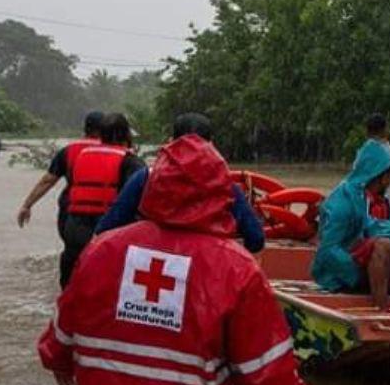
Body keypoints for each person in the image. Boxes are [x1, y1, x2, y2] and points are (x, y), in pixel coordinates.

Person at [38, 134, 319, 385]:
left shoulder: (101, 251)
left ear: (153, 186)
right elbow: (267, 376)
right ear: (221, 192)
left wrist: (57, 361)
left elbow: (60, 336)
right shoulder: (236, 269)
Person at [96, 112, 265, 253]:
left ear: (171, 142)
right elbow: (256, 240)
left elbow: (106, 229)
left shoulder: (145, 177)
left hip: (152, 267)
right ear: (211, 144)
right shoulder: (226, 186)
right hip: (205, 272)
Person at [311, 139, 390, 311]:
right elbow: (327, 250)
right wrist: (355, 273)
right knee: (383, 244)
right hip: (345, 273)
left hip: (379, 269)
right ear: (382, 176)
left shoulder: (382, 201)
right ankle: (380, 312)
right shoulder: (343, 202)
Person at [59, 113, 145, 287]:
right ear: (127, 137)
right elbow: (138, 201)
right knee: (108, 283)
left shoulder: (82, 155)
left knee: (72, 283)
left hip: (74, 227)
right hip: (108, 231)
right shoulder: (131, 162)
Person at [17, 110, 104, 249]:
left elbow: (47, 181)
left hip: (72, 213)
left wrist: (27, 205)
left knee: (73, 252)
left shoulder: (68, 151)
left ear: (85, 129)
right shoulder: (118, 153)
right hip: (104, 212)